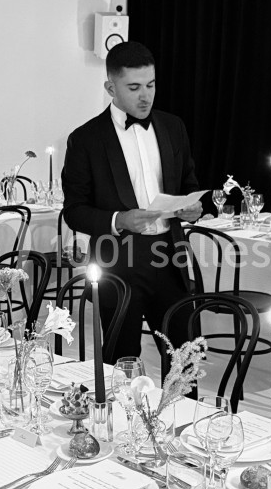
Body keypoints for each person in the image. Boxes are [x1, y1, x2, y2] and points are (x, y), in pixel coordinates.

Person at [62, 41, 204, 361]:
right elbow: (74, 211)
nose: (146, 95)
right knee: (120, 362)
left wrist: (192, 209)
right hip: (118, 262)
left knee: (185, 360)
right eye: (134, 87)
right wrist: (119, 220)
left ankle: (181, 411)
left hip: (170, 256)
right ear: (110, 87)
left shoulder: (173, 126)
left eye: (151, 84)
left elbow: (188, 184)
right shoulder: (85, 139)